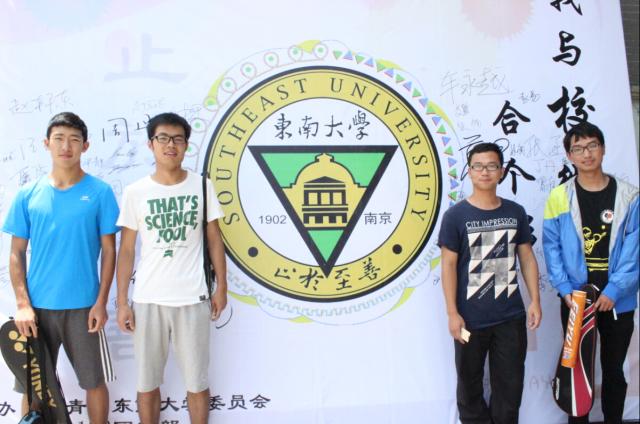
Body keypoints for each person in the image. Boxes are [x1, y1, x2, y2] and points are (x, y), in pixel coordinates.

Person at [2, 112, 119, 422]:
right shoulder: (28, 194)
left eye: (74, 140)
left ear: (85, 146)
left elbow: (110, 251)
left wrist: (101, 302)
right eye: (59, 139)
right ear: (46, 143)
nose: (66, 146)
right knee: (33, 386)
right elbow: (16, 253)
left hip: (84, 307)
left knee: (94, 381)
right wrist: (23, 305)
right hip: (37, 309)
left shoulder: (100, 192)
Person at [116, 112, 227, 424]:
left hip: (193, 297)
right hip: (148, 299)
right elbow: (127, 250)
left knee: (197, 382)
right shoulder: (136, 192)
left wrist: (222, 287)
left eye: (178, 139)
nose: (170, 145)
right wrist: (122, 302)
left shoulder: (202, 186)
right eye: (163, 138)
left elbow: (214, 239)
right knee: (146, 383)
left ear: (186, 146)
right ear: (150, 144)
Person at [438, 142, 542, 424]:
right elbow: (448, 265)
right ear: (469, 171)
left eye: (492, 166)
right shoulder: (455, 216)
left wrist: (535, 301)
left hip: (510, 317)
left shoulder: (515, 212)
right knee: (469, 385)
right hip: (469, 319)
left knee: (510, 388)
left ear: (502, 171)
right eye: (478, 166)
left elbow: (527, 258)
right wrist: (452, 313)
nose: (485, 172)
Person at [543, 121, 638, 424]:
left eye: (592, 146)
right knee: (576, 368)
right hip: (575, 300)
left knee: (613, 370)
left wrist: (615, 291)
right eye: (578, 148)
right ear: (569, 156)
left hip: (617, 301)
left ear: (603, 149)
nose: (587, 154)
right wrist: (565, 290)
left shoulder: (629, 196)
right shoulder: (559, 197)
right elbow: (551, 247)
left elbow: (635, 250)